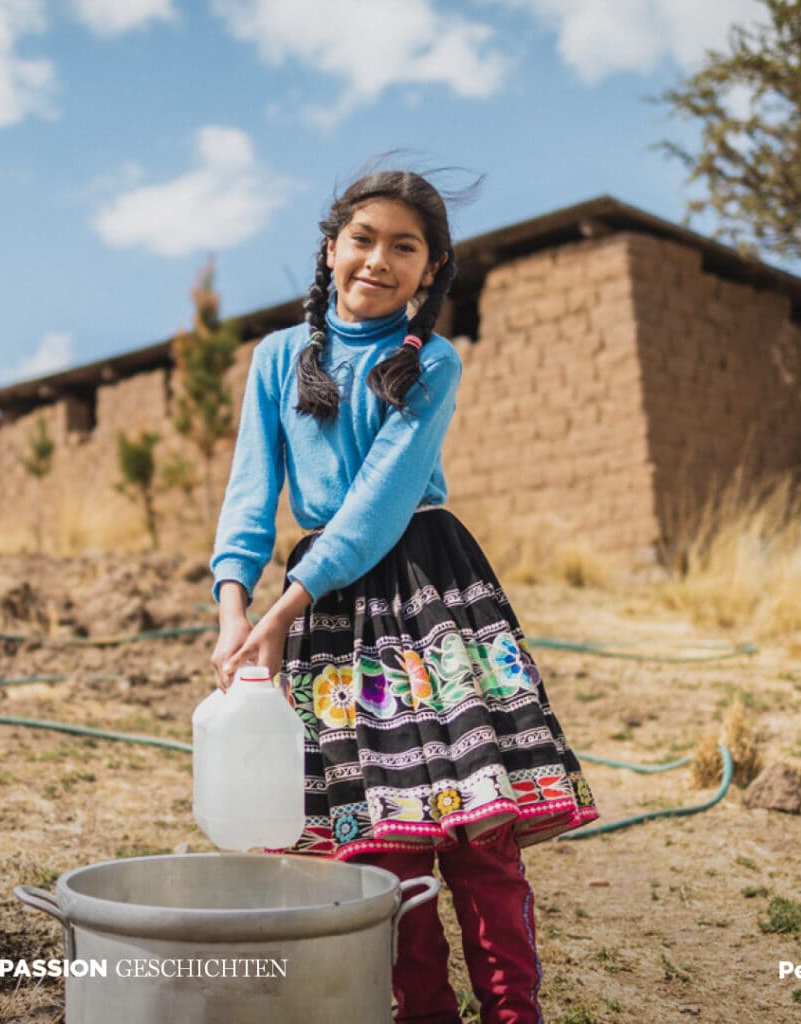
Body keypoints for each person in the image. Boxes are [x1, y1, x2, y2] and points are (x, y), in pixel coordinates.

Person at [209, 168, 599, 1024]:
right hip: (327, 611)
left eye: (404, 247)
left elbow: (382, 500)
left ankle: (512, 1014)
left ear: (430, 270)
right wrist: (237, 607)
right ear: (330, 249)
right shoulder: (278, 359)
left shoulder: (432, 360)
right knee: (378, 835)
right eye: (362, 239)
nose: (378, 260)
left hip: (428, 587)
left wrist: (283, 611)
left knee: (478, 827)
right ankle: (421, 1013)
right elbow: (250, 494)